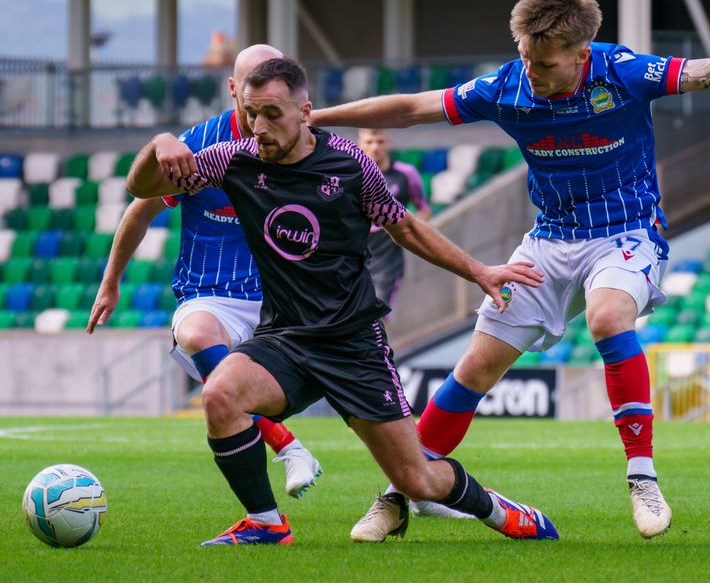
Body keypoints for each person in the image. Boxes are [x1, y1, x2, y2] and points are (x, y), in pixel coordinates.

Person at [309, 0, 710, 541]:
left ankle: (642, 477)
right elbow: (410, 108)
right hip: (549, 243)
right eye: (525, 59)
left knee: (606, 316)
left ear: (581, 55)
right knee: (475, 368)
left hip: (626, 234)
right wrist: (316, 120)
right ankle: (400, 493)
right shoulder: (508, 86)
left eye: (545, 65)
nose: (532, 73)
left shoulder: (622, 73)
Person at [126, 57, 559, 546]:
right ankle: (266, 524)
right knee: (220, 395)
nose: (259, 127)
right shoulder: (233, 160)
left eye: (272, 113)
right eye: (251, 114)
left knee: (418, 480)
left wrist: (478, 270)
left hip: (353, 345)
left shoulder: (350, 166)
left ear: (305, 112)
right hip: (284, 340)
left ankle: (498, 510)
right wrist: (161, 144)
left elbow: (406, 227)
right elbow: (140, 187)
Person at [88, 45, 322, 499]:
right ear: (234, 88)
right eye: (250, 84)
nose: (259, 100)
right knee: (196, 334)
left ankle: (418, 487)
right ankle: (287, 449)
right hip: (211, 294)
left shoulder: (300, 142)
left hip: (281, 299)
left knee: (367, 391)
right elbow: (139, 208)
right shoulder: (199, 146)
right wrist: (110, 283)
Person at [357, 128, 431, 307]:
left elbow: (423, 209)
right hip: (354, 256)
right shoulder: (351, 174)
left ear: (388, 144)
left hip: (388, 260)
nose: (375, 147)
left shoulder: (406, 173)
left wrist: (408, 233)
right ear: (360, 145)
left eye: (380, 142)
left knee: (379, 314)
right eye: (369, 142)